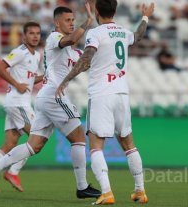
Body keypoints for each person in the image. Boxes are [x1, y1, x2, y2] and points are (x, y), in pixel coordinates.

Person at [0, 3, 102, 199]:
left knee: (34, 145)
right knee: (79, 137)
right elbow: (71, 38)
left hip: (45, 97)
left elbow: (85, 59)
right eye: (68, 20)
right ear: (57, 23)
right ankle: (81, 187)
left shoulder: (72, 51)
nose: (72, 24)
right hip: (55, 96)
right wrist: (87, 23)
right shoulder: (55, 38)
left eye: (73, 20)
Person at [55, 0, 154, 205]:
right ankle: (140, 190)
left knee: (96, 147)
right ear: (115, 10)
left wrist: (66, 80)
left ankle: (107, 192)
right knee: (129, 145)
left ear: (98, 11)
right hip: (122, 95)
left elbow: (86, 60)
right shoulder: (124, 32)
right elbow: (138, 36)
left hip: (101, 95)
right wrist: (145, 16)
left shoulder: (95, 33)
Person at [0, 22, 43, 193]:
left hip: (18, 103)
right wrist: (16, 84)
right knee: (38, 136)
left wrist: (43, 78)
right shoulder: (20, 52)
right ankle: (13, 172)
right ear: (24, 36)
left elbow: (29, 80)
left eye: (38, 33)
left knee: (10, 143)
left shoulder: (36, 55)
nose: (35, 36)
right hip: (17, 102)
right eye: (31, 33)